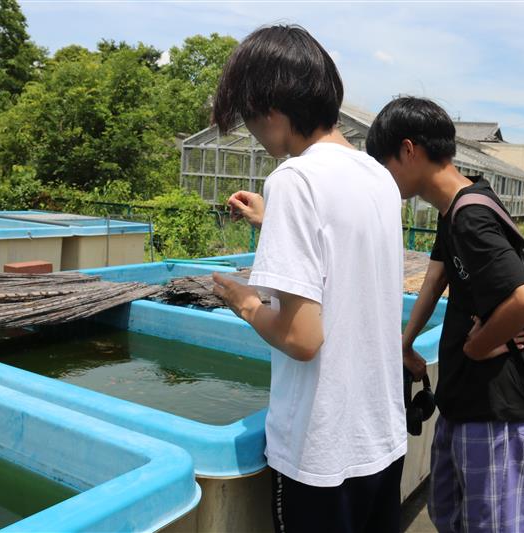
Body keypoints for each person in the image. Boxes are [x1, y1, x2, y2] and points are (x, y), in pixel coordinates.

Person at [210, 25, 407, 533]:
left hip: (322, 454)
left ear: (271, 109)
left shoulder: (294, 181)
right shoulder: (377, 177)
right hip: (381, 441)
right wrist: (270, 218)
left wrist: (245, 302)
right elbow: (343, 253)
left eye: (249, 117)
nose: (251, 129)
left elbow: (302, 338)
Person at [366, 96, 524, 533]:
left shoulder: (470, 217)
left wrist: (478, 345)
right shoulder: (455, 210)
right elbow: (434, 281)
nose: (382, 178)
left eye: (383, 162)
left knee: (490, 525)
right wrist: (404, 344)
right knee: (447, 513)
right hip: (461, 402)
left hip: (492, 406)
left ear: (408, 151)